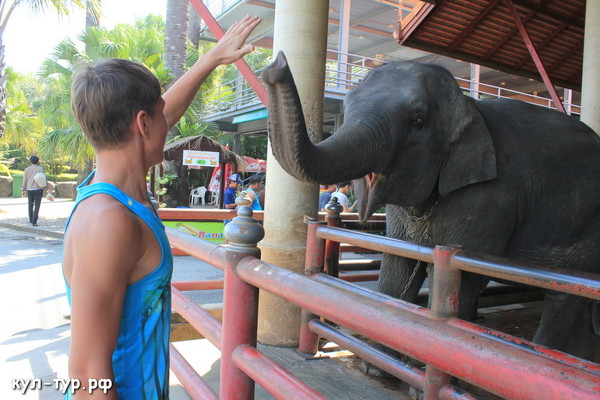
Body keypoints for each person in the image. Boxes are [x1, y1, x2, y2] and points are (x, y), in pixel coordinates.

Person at [63, 15, 260, 399]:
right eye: (159, 115)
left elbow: (164, 113)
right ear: (142, 123)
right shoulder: (110, 220)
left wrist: (209, 61)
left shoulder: (117, 194)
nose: (168, 122)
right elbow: (87, 374)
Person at [21, 155, 46, 226]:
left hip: (29, 189)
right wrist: (45, 186)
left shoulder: (27, 169)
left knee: (30, 204)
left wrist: (23, 189)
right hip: (38, 189)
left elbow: (24, 180)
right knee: (37, 205)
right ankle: (34, 221)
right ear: (38, 161)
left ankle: (31, 219)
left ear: (30, 161)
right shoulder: (40, 169)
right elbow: (43, 178)